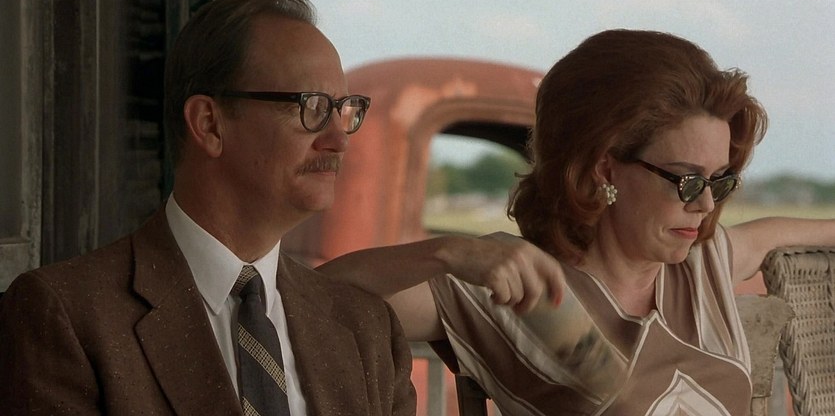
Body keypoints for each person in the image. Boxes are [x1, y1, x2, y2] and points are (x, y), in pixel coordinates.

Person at [0, 0, 565, 415]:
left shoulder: (365, 330)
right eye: (311, 107)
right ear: (209, 124)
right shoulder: (67, 315)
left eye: (345, 109)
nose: (339, 138)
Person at [320, 29, 835, 415]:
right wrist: (447, 252)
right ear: (604, 168)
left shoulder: (705, 264)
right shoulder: (515, 291)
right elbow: (313, 298)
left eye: (718, 180)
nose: (704, 205)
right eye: (686, 180)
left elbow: (784, 232)